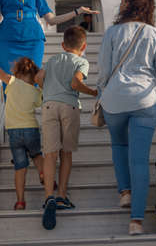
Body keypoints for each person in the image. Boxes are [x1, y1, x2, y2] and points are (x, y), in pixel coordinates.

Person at [96, 0, 156, 235]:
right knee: (139, 160)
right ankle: (136, 221)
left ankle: (124, 191)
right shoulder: (155, 34)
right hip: (144, 101)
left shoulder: (112, 33)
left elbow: (103, 71)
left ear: (126, 5)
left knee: (118, 144)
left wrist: (101, 91)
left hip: (115, 100)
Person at [34, 26, 98, 230]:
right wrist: (93, 92)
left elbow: (37, 78)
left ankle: (48, 198)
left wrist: (50, 90)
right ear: (84, 46)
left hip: (49, 105)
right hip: (69, 107)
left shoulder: (53, 60)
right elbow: (75, 83)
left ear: (62, 45)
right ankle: (62, 195)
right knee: (66, 154)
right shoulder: (82, 61)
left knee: (50, 154)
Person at [0, 39, 45, 210]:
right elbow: (42, 102)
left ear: (17, 71)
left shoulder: (11, 81)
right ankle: (43, 175)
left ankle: (20, 201)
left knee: (20, 167)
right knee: (37, 155)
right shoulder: (36, 91)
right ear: (33, 75)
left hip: (13, 132)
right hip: (31, 129)